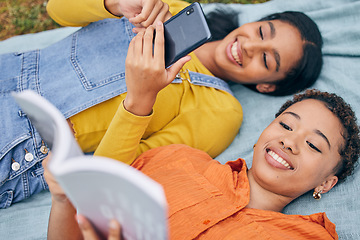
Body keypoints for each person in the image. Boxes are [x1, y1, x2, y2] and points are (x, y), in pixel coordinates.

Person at [0, 0, 323, 208]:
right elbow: (56, 10)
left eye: (266, 59)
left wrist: (141, 98)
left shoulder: (221, 112)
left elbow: (111, 175)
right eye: (261, 31)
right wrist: (113, 4)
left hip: (19, 145)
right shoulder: (172, 9)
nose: (249, 45)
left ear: (267, 85)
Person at [44, 87, 360, 240]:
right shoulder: (177, 159)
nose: (289, 142)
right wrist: (62, 200)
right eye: (286, 126)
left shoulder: (305, 238)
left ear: (326, 183)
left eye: (312, 145)